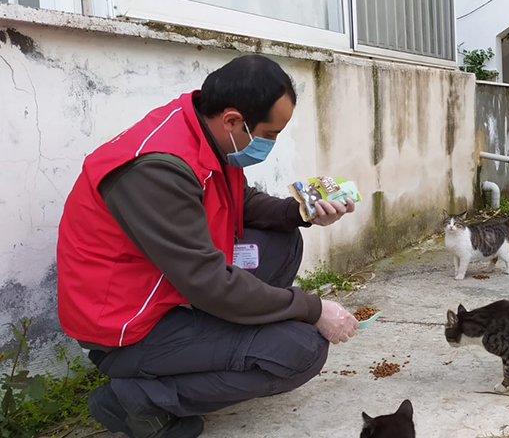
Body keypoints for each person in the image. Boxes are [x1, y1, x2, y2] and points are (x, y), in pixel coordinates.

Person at [56, 55, 359, 438]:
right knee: (302, 350)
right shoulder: (156, 169)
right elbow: (210, 282)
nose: (271, 143)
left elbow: (240, 201)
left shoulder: (204, 130)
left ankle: (220, 341)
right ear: (233, 119)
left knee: (281, 240)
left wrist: (300, 212)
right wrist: (313, 308)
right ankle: (137, 397)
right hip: (129, 329)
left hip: (174, 290)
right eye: (269, 134)